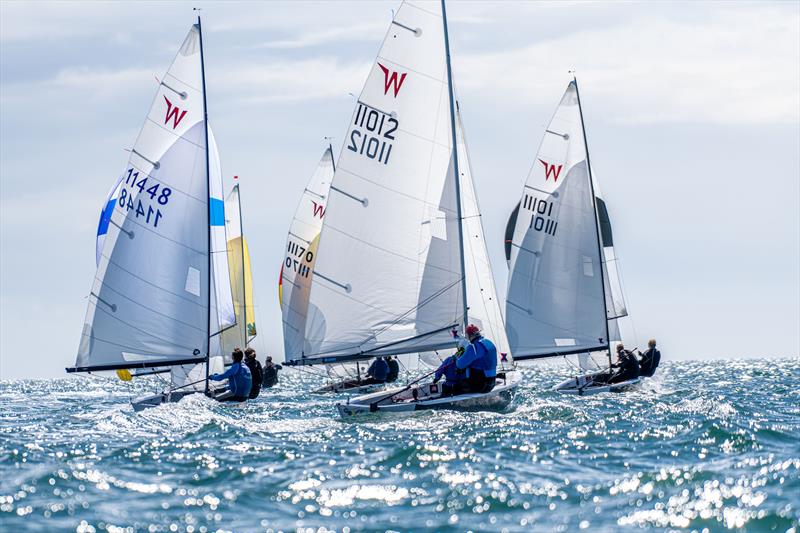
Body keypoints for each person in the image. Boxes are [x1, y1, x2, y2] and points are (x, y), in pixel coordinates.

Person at [455, 324, 498, 393]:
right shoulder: (489, 342)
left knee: (453, 386)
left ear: (469, 335)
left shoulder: (473, 347)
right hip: (492, 383)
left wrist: (458, 354)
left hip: (480, 386)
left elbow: (459, 364)